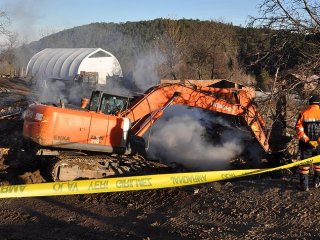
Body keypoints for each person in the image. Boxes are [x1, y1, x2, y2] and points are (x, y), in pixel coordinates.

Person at [296, 95, 320, 191]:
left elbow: (298, 129)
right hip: (319, 145)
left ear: (310, 103)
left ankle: (304, 185)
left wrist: (307, 140)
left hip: (305, 145)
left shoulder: (303, 113)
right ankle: (317, 182)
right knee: (318, 164)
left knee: (304, 165)